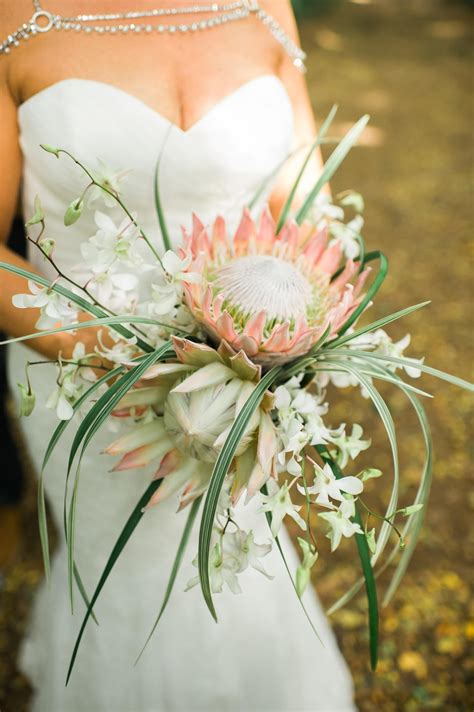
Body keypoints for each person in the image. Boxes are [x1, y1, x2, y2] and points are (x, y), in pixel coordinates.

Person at [0, 1, 356, 710]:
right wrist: (101, 351)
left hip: (255, 377)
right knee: (128, 581)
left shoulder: (265, 7)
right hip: (83, 385)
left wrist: (305, 321)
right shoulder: (16, 16)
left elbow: (304, 199)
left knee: (241, 562)